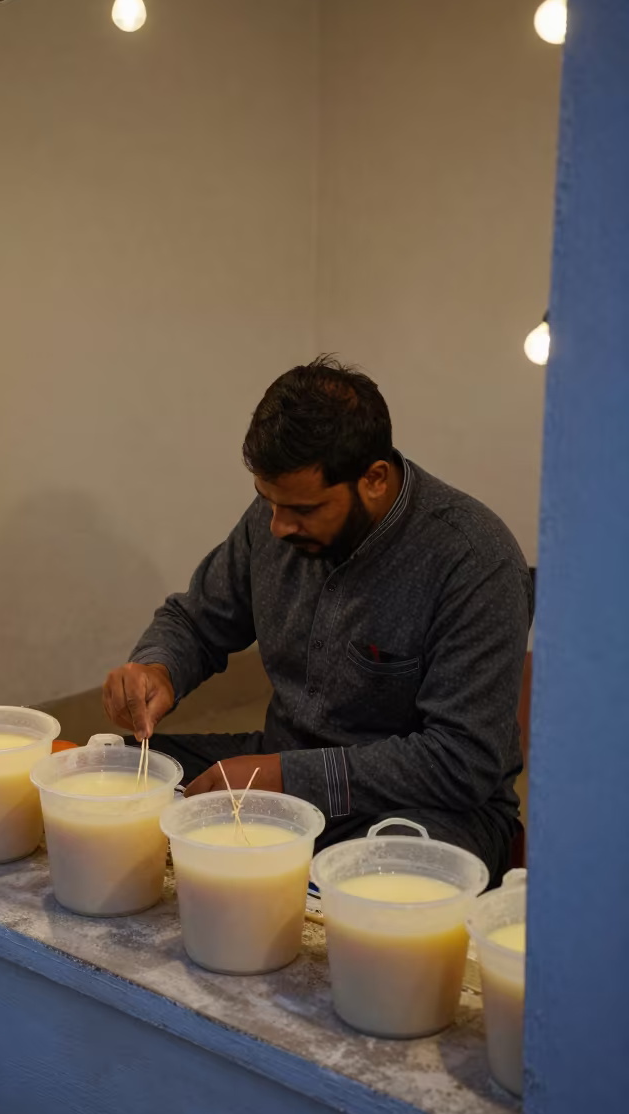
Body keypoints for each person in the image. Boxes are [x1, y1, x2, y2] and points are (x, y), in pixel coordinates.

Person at [102, 356, 533, 884]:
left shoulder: (474, 560)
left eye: (303, 509)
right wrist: (158, 669)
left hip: (426, 806)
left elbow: (461, 761)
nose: (278, 526)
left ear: (374, 479)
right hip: (280, 763)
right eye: (267, 502)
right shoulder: (275, 518)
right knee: (113, 780)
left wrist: (287, 777)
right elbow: (195, 622)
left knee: (370, 891)